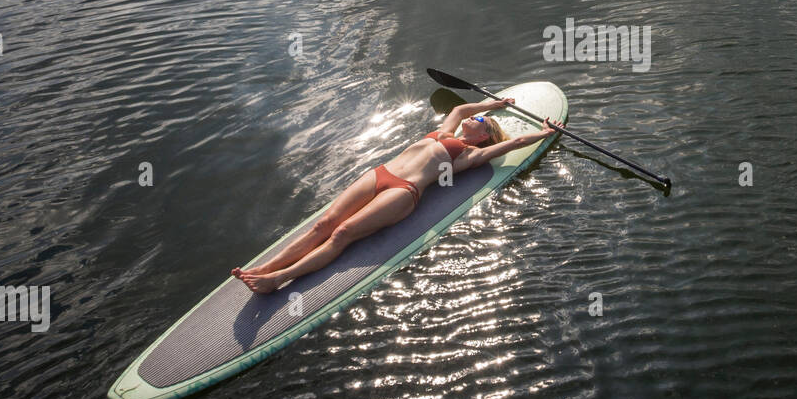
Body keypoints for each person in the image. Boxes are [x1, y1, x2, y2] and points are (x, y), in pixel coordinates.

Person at [232, 98, 560, 293]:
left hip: (404, 192)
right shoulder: (447, 131)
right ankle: (265, 267)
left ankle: (280, 278)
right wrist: (496, 104)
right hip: (380, 174)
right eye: (478, 117)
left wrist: (544, 133)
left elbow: (514, 144)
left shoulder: (467, 156)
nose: (473, 119)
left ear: (485, 134)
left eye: (481, 120)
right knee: (325, 223)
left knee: (342, 233)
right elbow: (461, 108)